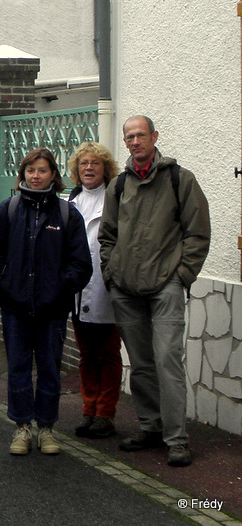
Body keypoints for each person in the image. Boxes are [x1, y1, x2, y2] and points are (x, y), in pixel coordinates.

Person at [99, 116, 211, 467]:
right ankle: (150, 426)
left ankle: (177, 439)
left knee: (167, 362)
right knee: (142, 365)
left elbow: (197, 234)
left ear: (154, 137)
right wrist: (112, 274)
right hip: (126, 288)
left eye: (140, 135)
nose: (135, 141)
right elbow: (107, 236)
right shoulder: (118, 185)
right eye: (129, 136)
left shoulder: (180, 179)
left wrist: (181, 276)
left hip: (166, 287)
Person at [0, 147, 92, 456]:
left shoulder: (68, 213)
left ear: (53, 175)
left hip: (53, 309)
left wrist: (60, 287)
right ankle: (22, 427)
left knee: (48, 368)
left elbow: (81, 264)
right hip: (15, 306)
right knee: (18, 367)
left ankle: (46, 428)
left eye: (42, 170)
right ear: (22, 175)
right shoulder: (9, 209)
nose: (36, 175)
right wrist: (2, 280)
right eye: (30, 170)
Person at [67, 142, 123, 439]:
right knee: (86, 353)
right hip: (78, 289)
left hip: (106, 285)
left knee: (109, 352)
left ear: (106, 169)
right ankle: (89, 409)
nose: (89, 168)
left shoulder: (115, 198)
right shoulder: (71, 200)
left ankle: (106, 412)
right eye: (84, 163)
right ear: (77, 169)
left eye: (95, 164)